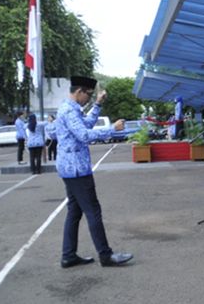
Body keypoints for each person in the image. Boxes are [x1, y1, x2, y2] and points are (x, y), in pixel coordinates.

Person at [56, 76, 132, 268]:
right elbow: (84, 135)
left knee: (74, 212)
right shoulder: (69, 111)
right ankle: (105, 255)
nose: (88, 99)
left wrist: (97, 104)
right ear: (79, 91)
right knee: (93, 211)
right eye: (88, 95)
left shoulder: (70, 109)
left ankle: (68, 255)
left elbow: (86, 125)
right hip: (77, 169)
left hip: (70, 168)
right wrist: (112, 129)